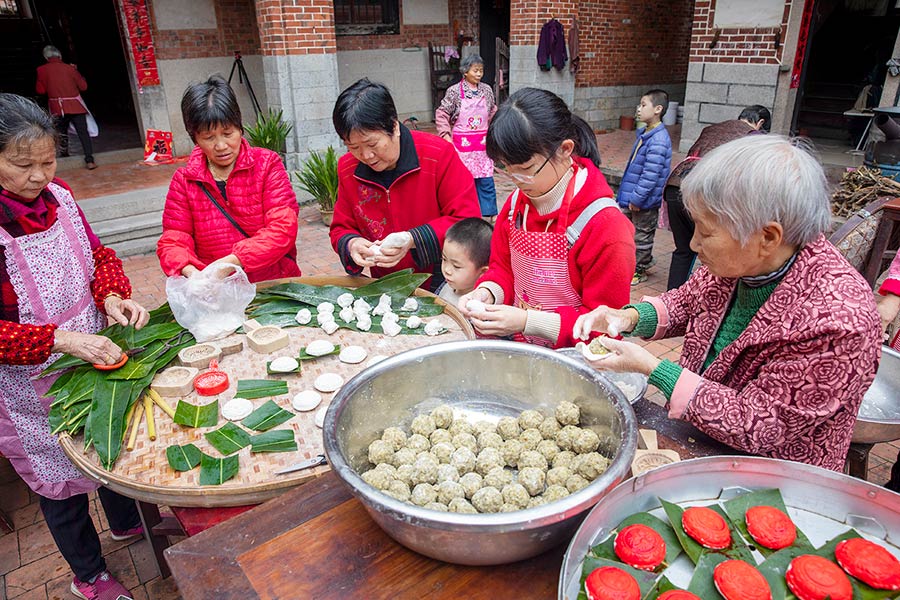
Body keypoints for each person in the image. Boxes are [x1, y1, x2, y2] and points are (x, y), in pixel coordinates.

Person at [574, 136, 881, 472]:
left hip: (774, 474)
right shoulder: (742, 262)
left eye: (706, 233)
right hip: (700, 434)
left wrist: (653, 368)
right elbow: (688, 302)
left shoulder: (839, 320)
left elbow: (761, 423)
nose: (693, 244)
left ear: (768, 237)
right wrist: (627, 317)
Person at [0, 93, 151, 600]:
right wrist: (60, 340)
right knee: (60, 482)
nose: (39, 176)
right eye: (22, 165)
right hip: (29, 384)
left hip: (90, 348)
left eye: (47, 161)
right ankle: (88, 574)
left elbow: (98, 254)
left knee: (107, 445)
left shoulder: (61, 197)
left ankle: (127, 521)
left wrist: (111, 296)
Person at [459, 88, 635, 349]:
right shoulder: (515, 206)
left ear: (565, 150)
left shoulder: (605, 226)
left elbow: (605, 326)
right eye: (508, 169)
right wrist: (488, 292)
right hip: (525, 348)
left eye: (526, 170)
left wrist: (528, 321)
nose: (517, 181)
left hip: (575, 360)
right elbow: (503, 269)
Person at [329, 78, 481, 290]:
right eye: (353, 147)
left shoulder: (438, 155)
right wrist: (352, 243)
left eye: (372, 144)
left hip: (442, 279)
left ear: (394, 127)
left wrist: (412, 239)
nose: (366, 155)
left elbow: (468, 222)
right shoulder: (348, 168)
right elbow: (341, 227)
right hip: (385, 284)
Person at [157, 76, 300, 283]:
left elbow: (283, 227)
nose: (221, 145)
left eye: (227, 133)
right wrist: (191, 272)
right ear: (194, 137)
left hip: (271, 284)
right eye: (209, 137)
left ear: (240, 128)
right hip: (217, 290)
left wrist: (232, 262)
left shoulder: (267, 164)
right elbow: (174, 239)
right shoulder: (184, 181)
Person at [663, 104, 771, 290]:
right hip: (704, 195)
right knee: (712, 252)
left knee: (684, 250)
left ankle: (673, 296)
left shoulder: (712, 128)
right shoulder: (755, 139)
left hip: (676, 186)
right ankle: (703, 299)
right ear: (760, 123)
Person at [617, 89, 672, 285]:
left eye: (643, 105)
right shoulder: (645, 134)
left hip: (643, 201)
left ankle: (639, 269)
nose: (638, 109)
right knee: (628, 233)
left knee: (642, 237)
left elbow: (651, 175)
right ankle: (634, 264)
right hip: (632, 196)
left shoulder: (658, 140)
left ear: (658, 109)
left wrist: (637, 199)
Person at [435, 55, 499, 221]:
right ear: (465, 72)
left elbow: (492, 111)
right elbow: (442, 113)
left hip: (483, 144)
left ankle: (488, 215)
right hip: (462, 146)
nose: (479, 74)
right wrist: (445, 135)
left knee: (486, 178)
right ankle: (467, 214)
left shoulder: (486, 90)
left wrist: (494, 129)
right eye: (475, 70)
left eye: (481, 70)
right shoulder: (454, 92)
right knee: (464, 179)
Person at [35, 45, 96, 170]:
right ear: (60, 56)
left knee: (61, 133)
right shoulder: (70, 68)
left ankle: (65, 156)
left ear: (46, 57)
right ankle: (89, 160)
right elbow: (83, 87)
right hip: (75, 106)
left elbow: (40, 90)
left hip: (57, 107)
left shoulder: (41, 70)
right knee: (83, 133)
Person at [436, 217, 493, 306]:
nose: (447, 270)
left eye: (456, 266)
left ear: (483, 272)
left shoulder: (476, 306)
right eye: (444, 259)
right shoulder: (446, 285)